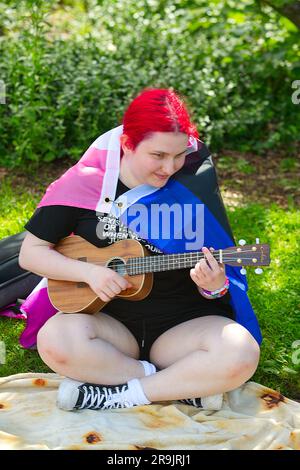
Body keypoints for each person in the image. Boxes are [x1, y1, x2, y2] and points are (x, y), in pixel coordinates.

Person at [19, 88, 261, 412]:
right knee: (56, 341)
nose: (170, 167)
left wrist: (214, 287)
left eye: (178, 155)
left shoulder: (189, 186)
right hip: (112, 326)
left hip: (183, 326)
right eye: (158, 155)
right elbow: (31, 252)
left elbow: (222, 282)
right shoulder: (84, 184)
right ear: (127, 145)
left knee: (241, 352)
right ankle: (176, 384)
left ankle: (120, 394)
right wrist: (88, 272)